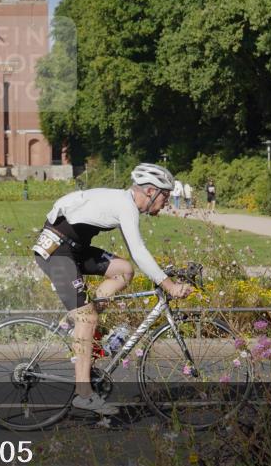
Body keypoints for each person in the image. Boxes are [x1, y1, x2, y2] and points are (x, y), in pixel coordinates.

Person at [32, 163, 194, 415]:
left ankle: (85, 324)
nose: (166, 201)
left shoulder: (123, 201)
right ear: (150, 191)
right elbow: (138, 250)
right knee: (87, 317)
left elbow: (132, 260)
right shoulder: (126, 206)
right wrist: (169, 285)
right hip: (57, 249)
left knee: (123, 270)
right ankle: (83, 394)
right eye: (165, 195)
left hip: (73, 247)